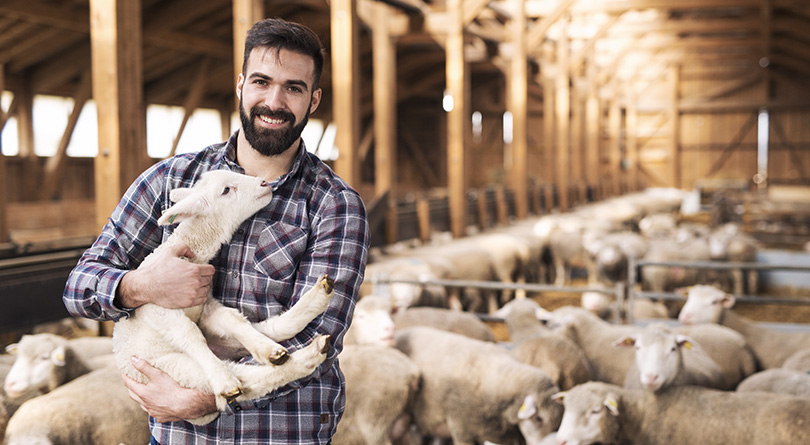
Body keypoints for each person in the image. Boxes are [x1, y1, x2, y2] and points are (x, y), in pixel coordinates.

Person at [63, 18, 369, 444]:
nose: (274, 101)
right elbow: (80, 286)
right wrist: (140, 285)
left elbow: (318, 339)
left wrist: (209, 394)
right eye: (261, 81)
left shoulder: (335, 204)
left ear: (314, 99)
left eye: (293, 88)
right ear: (241, 84)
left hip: (279, 433)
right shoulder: (171, 180)